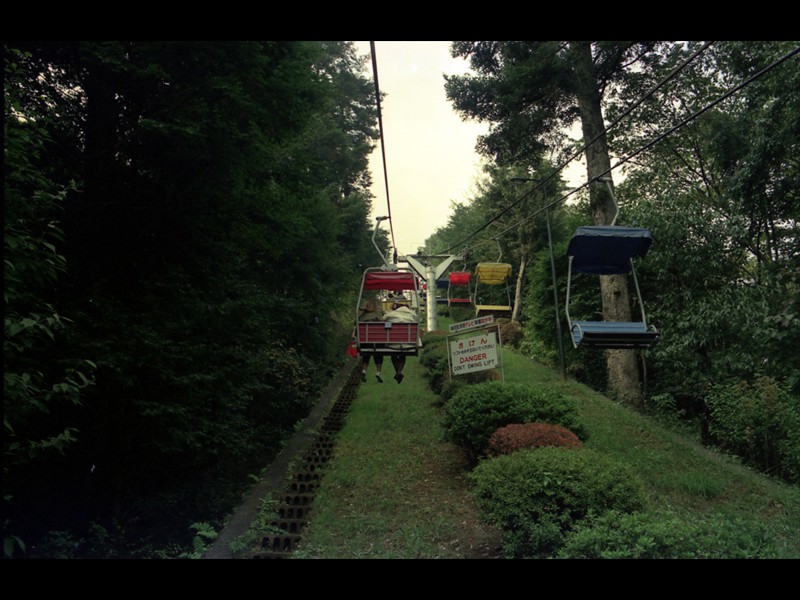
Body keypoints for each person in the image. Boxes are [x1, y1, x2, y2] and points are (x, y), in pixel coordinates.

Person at [382, 302, 419, 384]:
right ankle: (399, 371)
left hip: (393, 341)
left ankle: (397, 372)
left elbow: (383, 319)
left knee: (393, 355)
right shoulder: (411, 314)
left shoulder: (392, 314)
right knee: (403, 355)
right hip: (407, 341)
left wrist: (391, 309)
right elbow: (418, 321)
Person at [358, 299, 384, 383]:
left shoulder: (362, 316)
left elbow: (356, 323)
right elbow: (382, 323)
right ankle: (378, 371)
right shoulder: (377, 315)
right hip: (377, 340)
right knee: (378, 354)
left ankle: (364, 370)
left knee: (366, 354)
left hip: (365, 340)